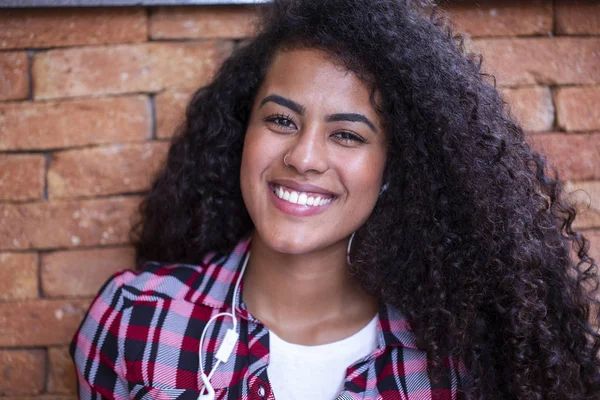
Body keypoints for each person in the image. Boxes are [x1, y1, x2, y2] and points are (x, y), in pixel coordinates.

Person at [69, 0, 600, 399]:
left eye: (347, 134)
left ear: (395, 168)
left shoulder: (453, 366)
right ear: (242, 132)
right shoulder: (132, 321)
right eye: (281, 120)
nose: (303, 157)